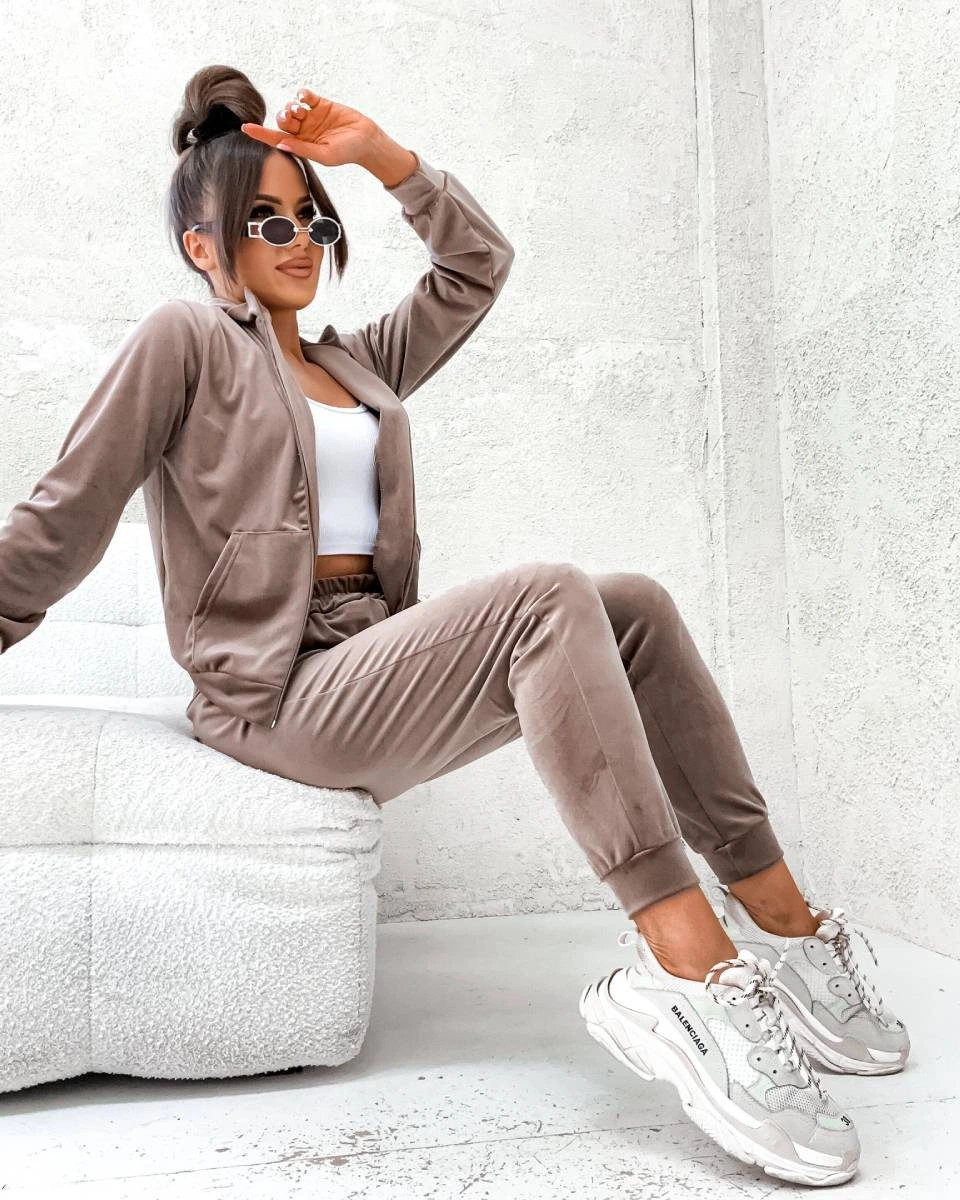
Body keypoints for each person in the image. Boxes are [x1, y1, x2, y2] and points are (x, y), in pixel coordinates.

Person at [0, 64, 908, 1187]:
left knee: (631, 605)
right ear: (203, 246)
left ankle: (784, 923)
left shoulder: (354, 364)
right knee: (546, 593)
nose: (299, 238)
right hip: (274, 696)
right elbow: (66, 512)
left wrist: (380, 159)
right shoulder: (183, 342)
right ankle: (685, 971)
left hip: (368, 658)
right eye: (266, 220)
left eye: (310, 217)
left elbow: (476, 267)